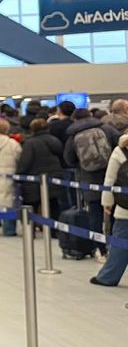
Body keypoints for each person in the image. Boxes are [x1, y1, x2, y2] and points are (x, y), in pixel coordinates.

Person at [64, 108, 119, 252]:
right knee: (114, 212)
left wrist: (81, 165)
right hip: (112, 177)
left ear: (75, 119)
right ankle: (117, 246)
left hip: (89, 179)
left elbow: (69, 159)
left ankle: (100, 249)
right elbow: (120, 146)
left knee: (95, 214)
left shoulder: (73, 136)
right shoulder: (107, 129)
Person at [91, 131, 128, 287]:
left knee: (120, 243)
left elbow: (110, 179)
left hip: (125, 207)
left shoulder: (120, 150)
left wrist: (107, 203)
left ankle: (108, 277)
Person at [16, 118, 65, 217]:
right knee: (53, 205)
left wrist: (18, 175)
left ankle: (34, 226)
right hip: (54, 178)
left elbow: (25, 163)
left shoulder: (30, 143)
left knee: (32, 208)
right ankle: (54, 225)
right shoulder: (55, 140)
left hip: (34, 182)